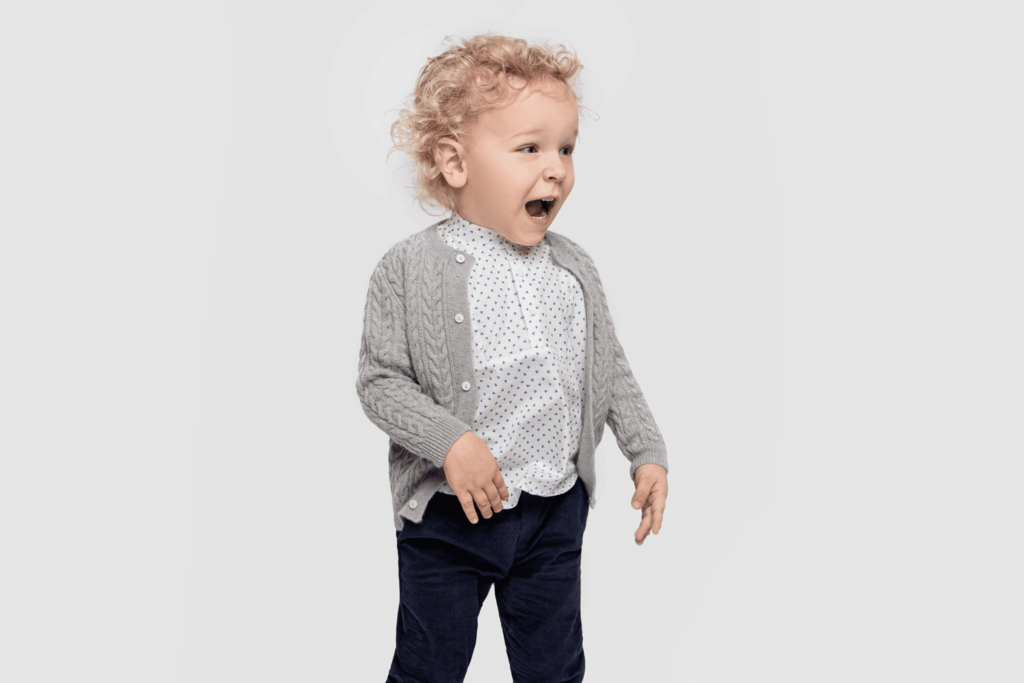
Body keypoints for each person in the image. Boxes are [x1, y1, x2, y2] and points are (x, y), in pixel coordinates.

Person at [356, 32, 670, 683]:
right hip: (450, 516)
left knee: (555, 667)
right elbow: (380, 381)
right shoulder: (408, 268)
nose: (556, 168)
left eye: (566, 148)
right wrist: (451, 441)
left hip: (553, 508)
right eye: (530, 148)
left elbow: (608, 368)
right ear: (455, 162)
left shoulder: (573, 267)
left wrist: (646, 450)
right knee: (428, 666)